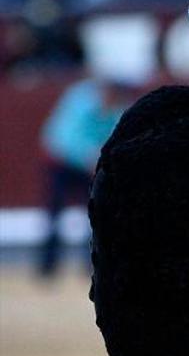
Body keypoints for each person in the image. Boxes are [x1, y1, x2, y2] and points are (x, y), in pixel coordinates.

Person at [37, 76, 133, 278]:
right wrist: (89, 157)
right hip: (61, 164)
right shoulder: (80, 103)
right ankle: (48, 265)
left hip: (90, 165)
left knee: (96, 215)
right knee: (55, 214)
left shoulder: (116, 108)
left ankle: (90, 265)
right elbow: (62, 139)